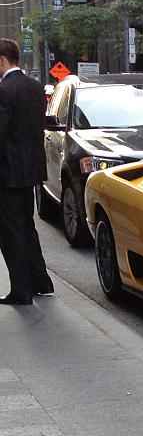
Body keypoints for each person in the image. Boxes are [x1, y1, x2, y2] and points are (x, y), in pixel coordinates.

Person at [0, 38, 53, 305]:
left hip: (8, 173)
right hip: (31, 170)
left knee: (11, 231)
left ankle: (21, 290)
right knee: (27, 225)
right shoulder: (34, 87)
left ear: (2, 59)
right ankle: (40, 281)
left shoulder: (4, 90)